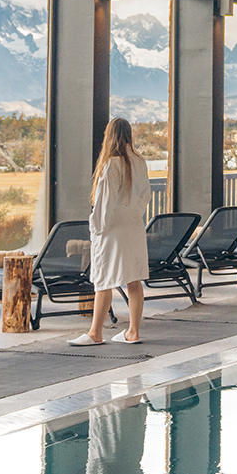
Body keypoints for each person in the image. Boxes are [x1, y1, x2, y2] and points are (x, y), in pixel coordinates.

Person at [71, 118, 151, 345]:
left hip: (112, 230)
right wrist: (134, 214)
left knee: (103, 280)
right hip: (134, 227)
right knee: (134, 281)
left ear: (110, 136)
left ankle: (95, 333)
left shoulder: (111, 164)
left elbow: (104, 204)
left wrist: (96, 229)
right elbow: (145, 196)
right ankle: (133, 332)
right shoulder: (140, 162)